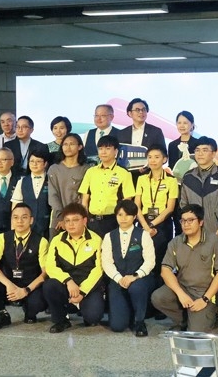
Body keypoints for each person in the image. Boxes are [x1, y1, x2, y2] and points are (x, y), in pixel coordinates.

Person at [151, 205, 218, 332]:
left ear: (201, 222)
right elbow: (165, 271)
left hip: (205, 293)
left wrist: (205, 299)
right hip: (184, 288)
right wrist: (181, 294)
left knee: (195, 333)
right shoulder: (175, 242)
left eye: (191, 220)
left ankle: (212, 317)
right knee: (158, 297)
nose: (186, 224)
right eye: (183, 221)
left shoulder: (215, 242)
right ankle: (186, 320)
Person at [0, 204, 48, 330]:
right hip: (9, 282)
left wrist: (26, 290)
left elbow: (45, 273)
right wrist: (8, 284)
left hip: (30, 284)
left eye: (24, 217)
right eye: (15, 217)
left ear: (31, 220)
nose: (19, 221)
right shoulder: (3, 238)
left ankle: (30, 311)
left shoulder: (41, 241)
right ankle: (2, 314)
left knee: (37, 301)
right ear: (11, 220)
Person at [42, 202, 105, 333]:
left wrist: (82, 292)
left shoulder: (96, 240)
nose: (71, 224)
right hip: (67, 286)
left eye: (75, 220)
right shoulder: (57, 240)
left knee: (93, 317)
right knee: (49, 285)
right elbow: (50, 266)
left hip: (88, 289)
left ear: (84, 221)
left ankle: (83, 308)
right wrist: (68, 281)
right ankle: (61, 320)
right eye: (67, 221)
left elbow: (98, 270)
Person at [101, 200, 156, 337]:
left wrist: (135, 276)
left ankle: (140, 321)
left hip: (139, 278)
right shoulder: (109, 236)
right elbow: (107, 262)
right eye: (120, 215)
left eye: (127, 215)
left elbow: (150, 261)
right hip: (118, 280)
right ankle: (129, 312)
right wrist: (119, 278)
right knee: (117, 326)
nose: (123, 218)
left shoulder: (143, 235)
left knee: (136, 288)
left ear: (134, 216)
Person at [134, 144, 178, 292]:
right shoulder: (141, 179)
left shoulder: (171, 181)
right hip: (143, 222)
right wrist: (145, 226)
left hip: (162, 223)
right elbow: (137, 206)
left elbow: (170, 208)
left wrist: (152, 225)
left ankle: (158, 297)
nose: (153, 160)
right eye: (150, 157)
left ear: (164, 159)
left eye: (157, 157)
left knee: (160, 261)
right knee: (143, 259)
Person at [78, 135, 136, 237]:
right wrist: (84, 220)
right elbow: (85, 200)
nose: (103, 152)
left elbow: (127, 199)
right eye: (100, 149)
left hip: (113, 221)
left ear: (116, 151)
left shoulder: (124, 173)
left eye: (108, 148)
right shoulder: (91, 171)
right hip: (92, 221)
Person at [179, 136, 218, 242]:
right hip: (192, 232)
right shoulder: (187, 176)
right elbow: (183, 204)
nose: (200, 154)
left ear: (213, 154)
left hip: (216, 231)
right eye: (197, 150)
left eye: (205, 150)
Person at [47, 133, 89, 237]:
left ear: (80, 147)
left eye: (72, 144)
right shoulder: (54, 169)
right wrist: (63, 218)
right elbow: (53, 195)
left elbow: (84, 197)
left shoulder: (87, 169)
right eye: (65, 144)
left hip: (78, 218)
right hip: (58, 218)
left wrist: (72, 218)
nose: (68, 147)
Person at [117, 98, 167, 179]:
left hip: (150, 176)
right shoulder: (121, 133)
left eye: (144, 109)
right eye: (137, 110)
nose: (141, 112)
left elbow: (163, 154)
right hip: (126, 177)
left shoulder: (155, 132)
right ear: (130, 113)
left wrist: (149, 165)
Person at [10, 148, 51, 238]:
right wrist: (13, 227)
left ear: (45, 164)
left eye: (38, 161)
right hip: (26, 226)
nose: (34, 164)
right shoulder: (22, 181)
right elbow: (15, 205)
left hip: (46, 226)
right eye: (32, 161)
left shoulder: (51, 180)